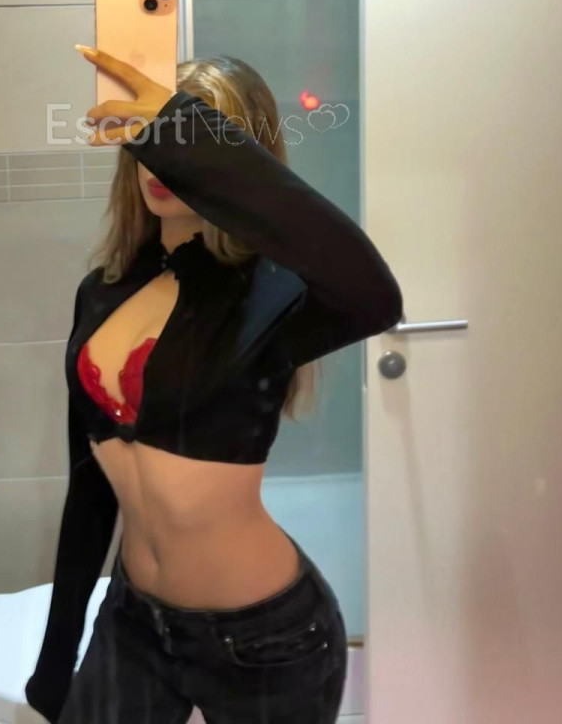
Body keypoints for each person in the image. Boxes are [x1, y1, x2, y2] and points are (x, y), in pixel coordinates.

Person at [25, 48, 403, 724]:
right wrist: (57, 655)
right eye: (152, 141)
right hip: (134, 620)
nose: (161, 166)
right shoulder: (102, 293)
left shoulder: (274, 295)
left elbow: (376, 296)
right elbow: (90, 491)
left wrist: (185, 134)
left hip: (266, 638)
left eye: (187, 144)